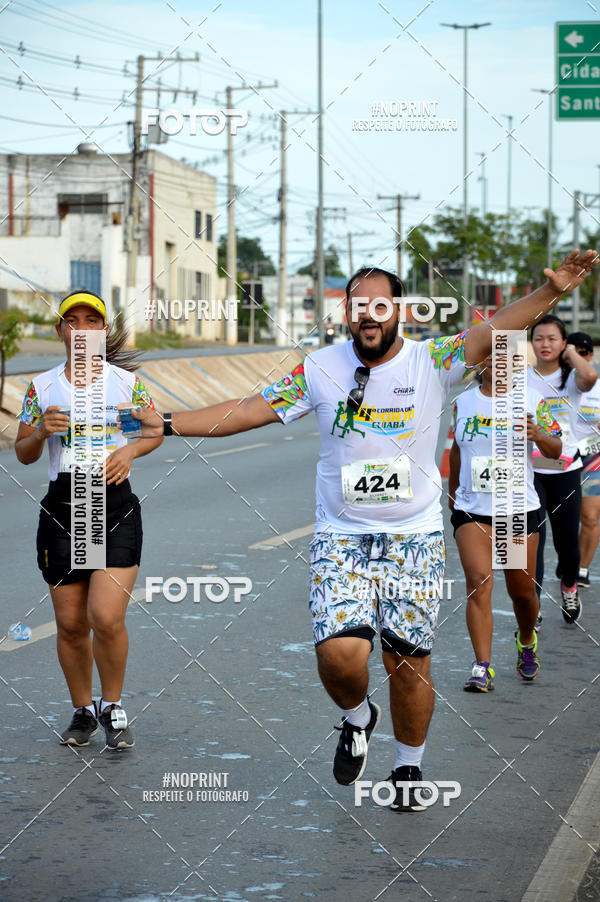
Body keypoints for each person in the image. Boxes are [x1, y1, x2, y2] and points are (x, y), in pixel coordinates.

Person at [135, 250, 597, 812]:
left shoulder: (435, 359)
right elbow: (250, 410)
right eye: (359, 307)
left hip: (414, 537)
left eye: (381, 305)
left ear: (399, 311)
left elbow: (499, 327)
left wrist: (551, 292)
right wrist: (168, 423)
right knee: (338, 655)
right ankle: (357, 717)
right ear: (347, 313)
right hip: (341, 535)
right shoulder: (319, 368)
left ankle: (408, 766)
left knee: (407, 660)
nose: (370, 316)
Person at [15, 291, 162, 750]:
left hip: (112, 505)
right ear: (61, 331)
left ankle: (112, 706)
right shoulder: (42, 387)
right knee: (72, 624)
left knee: (105, 615)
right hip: (65, 504)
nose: (81, 329)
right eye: (71, 321)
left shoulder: (127, 384)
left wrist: (130, 449)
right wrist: (40, 431)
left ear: (102, 331)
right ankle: (82, 711)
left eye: (90, 321)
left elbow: (155, 430)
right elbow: (22, 453)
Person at [448, 356, 562, 692]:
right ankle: (482, 667)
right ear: (480, 362)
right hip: (473, 511)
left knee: (522, 594)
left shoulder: (531, 400)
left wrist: (538, 433)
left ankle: (526, 640)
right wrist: (453, 494)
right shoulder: (464, 402)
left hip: (516, 511)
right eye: (489, 356)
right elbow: (456, 450)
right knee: (478, 583)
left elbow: (556, 449)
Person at [528, 315, 598, 623]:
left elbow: (591, 376)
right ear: (531, 342)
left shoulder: (572, 379)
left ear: (563, 343)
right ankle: (534, 604)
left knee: (567, 542)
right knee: (534, 541)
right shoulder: (523, 379)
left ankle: (569, 586)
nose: (545, 344)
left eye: (552, 339)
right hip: (531, 471)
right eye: (539, 338)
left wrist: (570, 354)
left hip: (566, 469)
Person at [568, 331, 600, 588]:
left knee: (589, 516)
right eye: (572, 352)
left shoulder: (596, 382)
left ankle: (581, 569)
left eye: (584, 353)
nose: (579, 357)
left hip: (592, 457)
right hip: (556, 458)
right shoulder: (553, 381)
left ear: (590, 355)